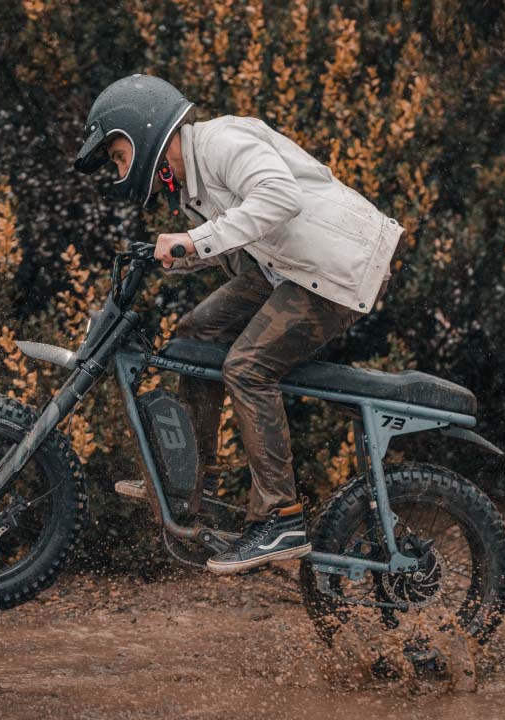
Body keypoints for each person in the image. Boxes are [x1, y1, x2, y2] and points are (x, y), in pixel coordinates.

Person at [74, 74, 404, 574]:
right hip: (287, 271)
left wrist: (193, 240)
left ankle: (281, 517)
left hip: (335, 269)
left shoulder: (221, 142)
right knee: (192, 335)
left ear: (140, 134)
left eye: (118, 156)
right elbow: (234, 237)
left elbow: (279, 199)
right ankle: (191, 482)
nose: (121, 170)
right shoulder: (192, 185)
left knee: (248, 367)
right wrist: (172, 254)